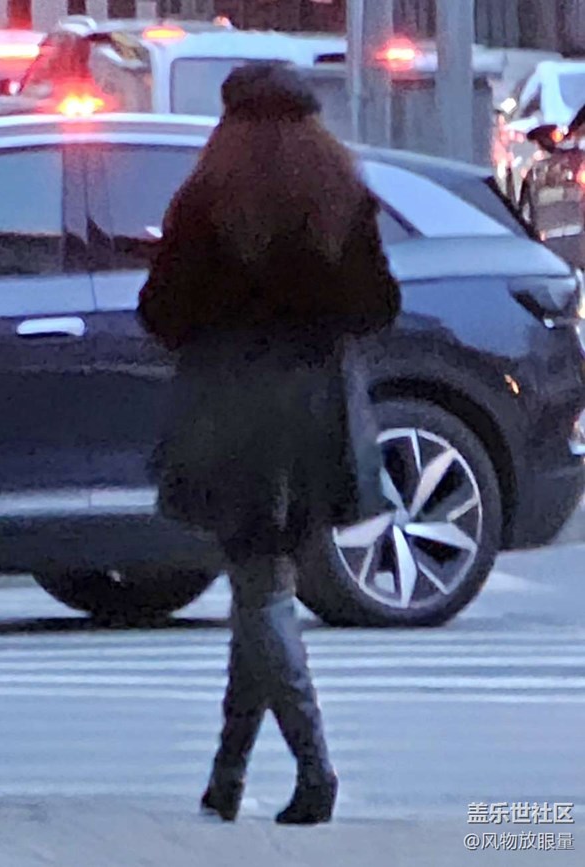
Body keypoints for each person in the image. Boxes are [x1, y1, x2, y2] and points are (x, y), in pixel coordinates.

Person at [137, 62, 401, 825]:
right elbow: (378, 305)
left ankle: (316, 770)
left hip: (230, 413)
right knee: (262, 588)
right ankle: (226, 776)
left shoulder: (204, 202)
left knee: (260, 590)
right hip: (315, 413)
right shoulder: (340, 196)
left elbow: (161, 312)